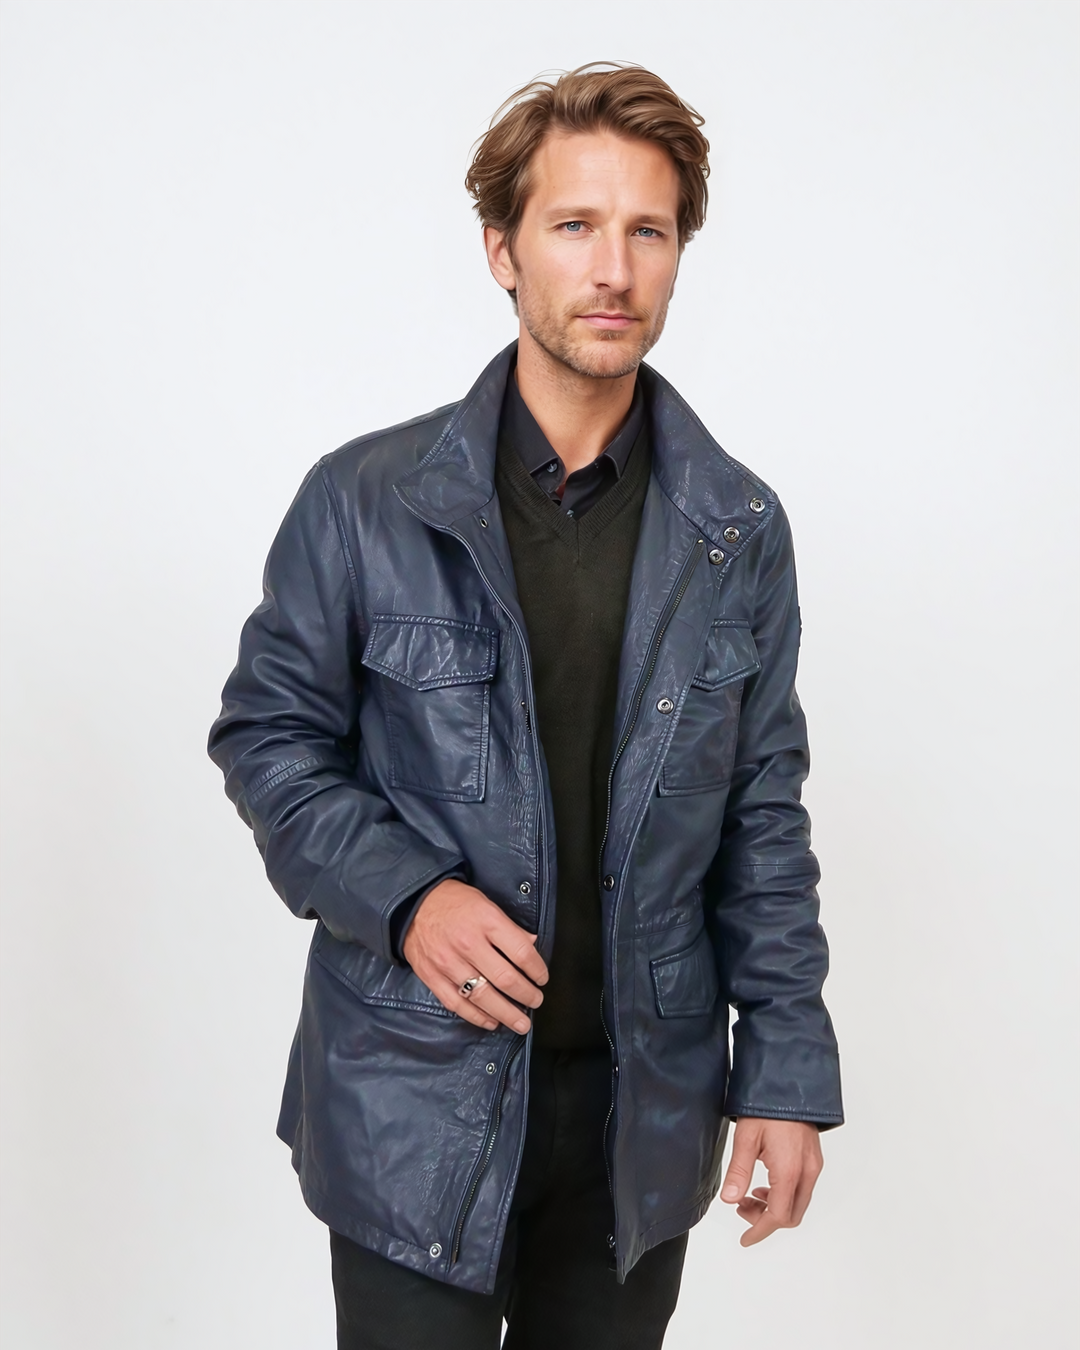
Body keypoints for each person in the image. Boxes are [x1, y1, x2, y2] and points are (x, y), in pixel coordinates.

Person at [208, 61, 843, 1350]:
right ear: (502, 249)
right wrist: (407, 897)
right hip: (412, 1108)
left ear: (678, 257)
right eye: (574, 225)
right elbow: (269, 738)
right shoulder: (364, 503)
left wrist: (784, 1068)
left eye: (647, 231)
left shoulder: (738, 527)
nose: (613, 269)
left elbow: (760, 812)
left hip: (639, 1125)